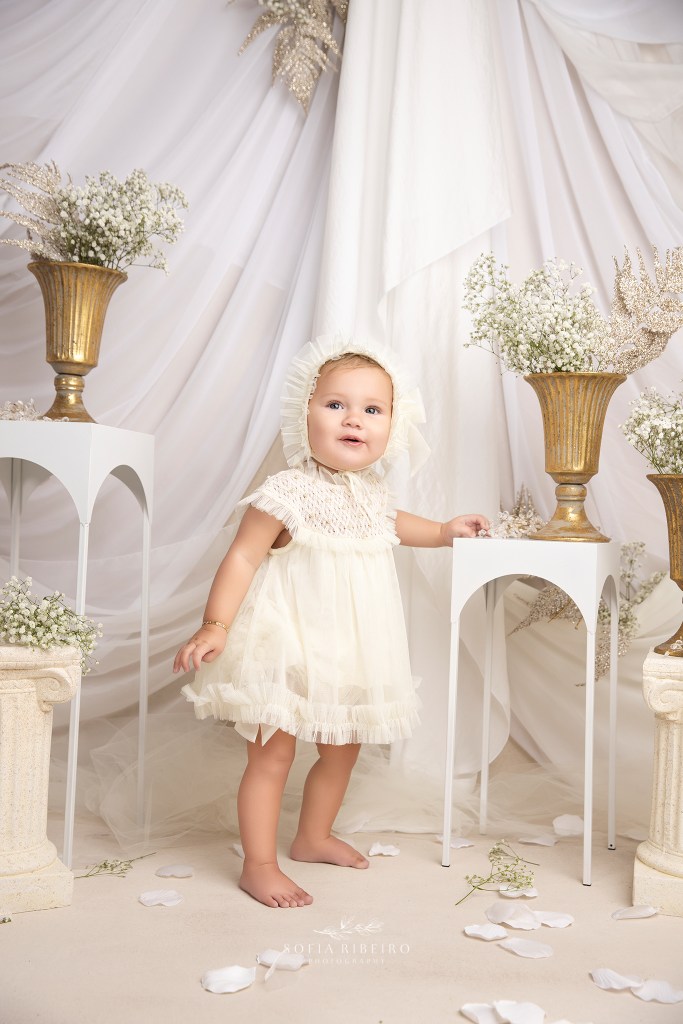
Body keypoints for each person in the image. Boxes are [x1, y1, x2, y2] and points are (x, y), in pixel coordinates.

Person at [173, 336, 490, 908]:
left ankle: (313, 836)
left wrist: (445, 531)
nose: (354, 419)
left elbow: (399, 525)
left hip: (351, 648)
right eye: (336, 405)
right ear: (306, 413)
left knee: (343, 747)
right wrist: (215, 624)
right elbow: (243, 556)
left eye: (372, 410)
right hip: (287, 642)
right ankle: (259, 864)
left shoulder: (373, 496)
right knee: (272, 753)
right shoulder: (287, 491)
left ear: (392, 426)